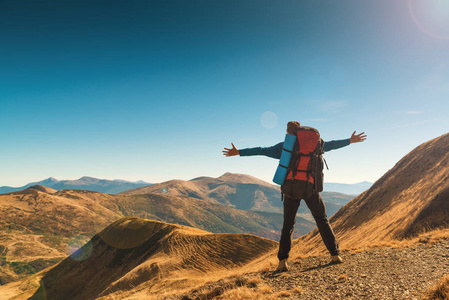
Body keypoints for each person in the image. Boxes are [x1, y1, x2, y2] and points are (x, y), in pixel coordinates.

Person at [223, 121, 366, 272]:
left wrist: (238, 152)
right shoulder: (316, 143)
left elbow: (261, 150)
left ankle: (282, 262)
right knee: (322, 220)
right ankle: (335, 255)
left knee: (288, 225)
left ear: (289, 131)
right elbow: (332, 144)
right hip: (311, 188)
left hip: (291, 189)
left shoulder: (285, 146)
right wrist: (350, 141)